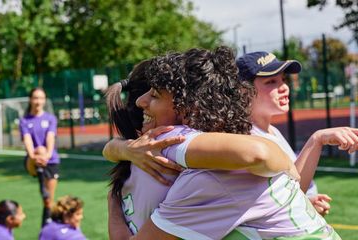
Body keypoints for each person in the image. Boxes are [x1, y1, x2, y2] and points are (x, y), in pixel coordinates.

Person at [104, 47, 340, 239]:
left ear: (189, 108)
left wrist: (113, 199)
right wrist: (121, 149)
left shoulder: (206, 173)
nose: (139, 102)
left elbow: (259, 153)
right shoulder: (211, 157)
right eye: (269, 81)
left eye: (155, 94)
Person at [236, 51, 358, 216]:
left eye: (283, 79)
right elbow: (285, 197)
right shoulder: (246, 139)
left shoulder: (271, 131)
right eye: (271, 81)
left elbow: (287, 194)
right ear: (244, 91)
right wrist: (317, 139)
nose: (284, 87)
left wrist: (307, 202)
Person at [19, 87, 60, 227]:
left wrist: (47, 156)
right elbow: (27, 140)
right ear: (30, 100)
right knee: (40, 149)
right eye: (35, 98)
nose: (38, 101)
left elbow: (50, 138)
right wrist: (34, 157)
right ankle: (41, 176)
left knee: (48, 200)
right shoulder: (24, 120)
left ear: (44, 100)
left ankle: (48, 227)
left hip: (50, 160)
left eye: (41, 98)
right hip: (32, 161)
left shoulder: (50, 118)